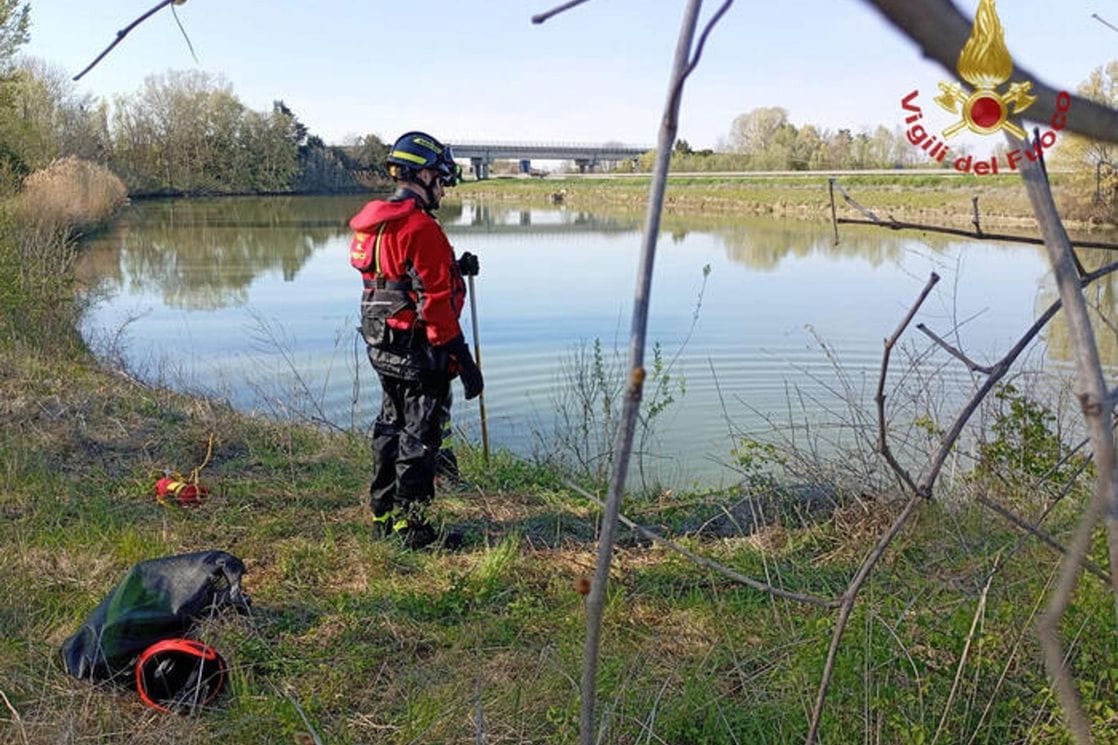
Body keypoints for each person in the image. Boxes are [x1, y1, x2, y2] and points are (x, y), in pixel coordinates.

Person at [348, 131, 483, 549]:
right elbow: (435, 305)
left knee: (390, 427)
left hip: (381, 342)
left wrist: (452, 266)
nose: (443, 189)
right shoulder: (421, 227)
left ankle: (383, 515)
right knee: (420, 439)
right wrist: (463, 361)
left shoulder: (376, 223)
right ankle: (414, 530)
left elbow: (395, 277)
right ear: (422, 174)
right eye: (441, 180)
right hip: (420, 350)